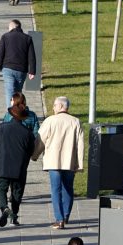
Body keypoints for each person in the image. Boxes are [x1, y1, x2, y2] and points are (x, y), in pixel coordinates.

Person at [38, 96, 84, 229]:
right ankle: (65, 216)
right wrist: (80, 164)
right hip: (70, 161)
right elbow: (80, 145)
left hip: (53, 161)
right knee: (68, 188)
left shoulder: (50, 121)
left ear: (60, 106)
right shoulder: (76, 122)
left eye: (54, 105)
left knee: (55, 189)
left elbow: (40, 140)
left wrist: (34, 155)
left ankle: (59, 219)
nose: (53, 108)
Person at [0, 102, 36, 227]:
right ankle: (14, 217)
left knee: (0, 188)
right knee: (17, 192)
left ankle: (4, 207)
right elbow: (31, 150)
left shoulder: (2, 127)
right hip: (19, 168)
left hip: (3, 165)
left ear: (11, 115)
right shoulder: (27, 133)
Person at [0, 19, 37, 111]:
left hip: (8, 68)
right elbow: (32, 56)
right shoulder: (27, 38)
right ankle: (19, 112)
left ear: (12, 27)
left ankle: (11, 115)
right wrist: (32, 71)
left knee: (9, 93)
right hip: (21, 70)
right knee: (18, 93)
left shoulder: (5, 37)